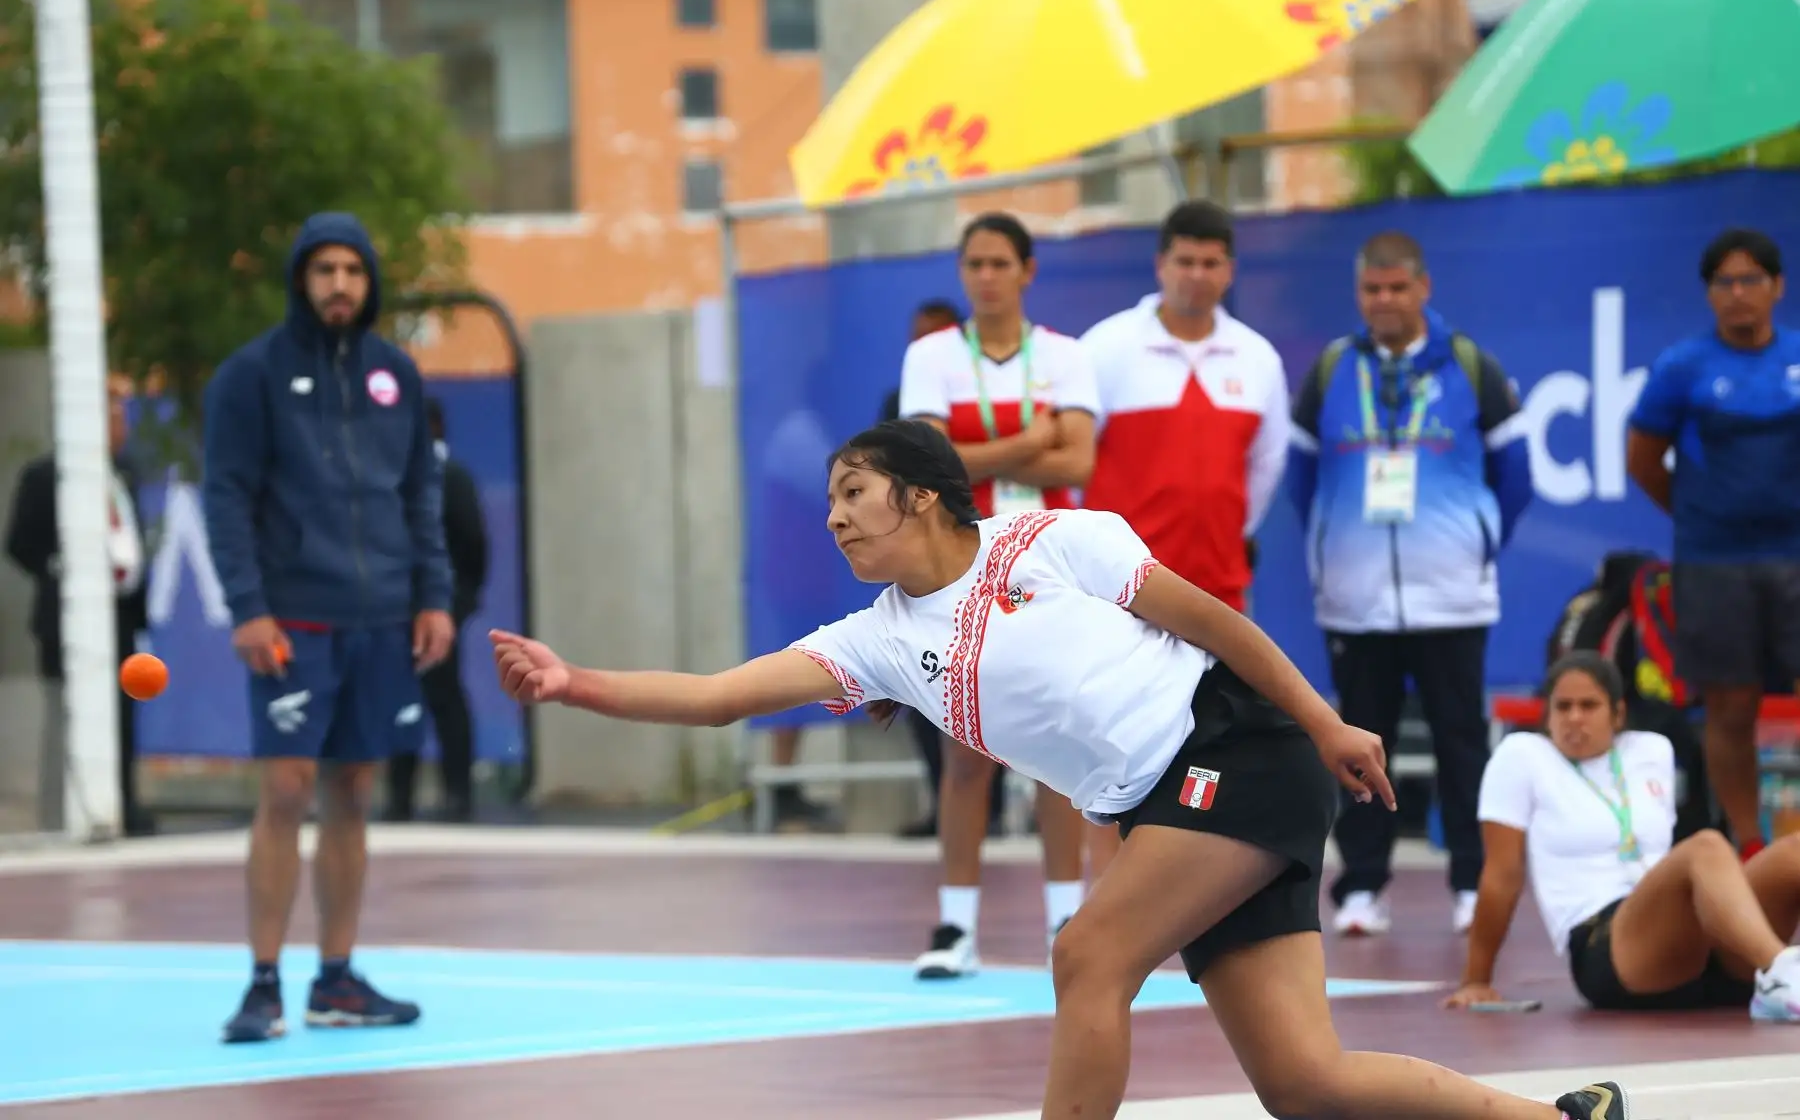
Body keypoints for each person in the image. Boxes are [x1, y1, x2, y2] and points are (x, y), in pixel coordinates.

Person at [490, 419, 1628, 1120]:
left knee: (1087, 953)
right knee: (1303, 1086)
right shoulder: (877, 639)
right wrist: (572, 680)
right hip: (1170, 811)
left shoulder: (1052, 541)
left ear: (921, 495)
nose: (834, 516)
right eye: (832, 499)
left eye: (854, 492)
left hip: (1240, 753)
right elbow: (716, 698)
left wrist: (1328, 721)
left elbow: (1220, 625)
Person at [203, 211, 455, 1043]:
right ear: (301, 281)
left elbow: (420, 493)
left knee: (352, 792)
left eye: (352, 269)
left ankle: (336, 980)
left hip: (382, 617)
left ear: (369, 280)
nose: (339, 284)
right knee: (285, 792)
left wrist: (433, 597)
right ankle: (263, 984)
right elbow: (227, 499)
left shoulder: (396, 376)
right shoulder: (251, 378)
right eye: (324, 270)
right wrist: (249, 608)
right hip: (292, 622)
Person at [1289, 230, 1533, 938]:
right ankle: (1362, 886)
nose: (1386, 301)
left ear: (1424, 289)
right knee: (1359, 744)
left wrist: (1474, 542)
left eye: (1398, 288)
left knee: (1462, 742)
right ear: (1359, 294)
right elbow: (1303, 479)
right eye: (1373, 289)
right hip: (1356, 597)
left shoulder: (1469, 366)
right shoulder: (1333, 369)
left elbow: (1514, 479)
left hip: (1451, 592)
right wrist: (1338, 546)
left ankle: (1468, 879)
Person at [896, 211, 1100, 977]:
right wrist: (1025, 445)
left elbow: (1077, 459)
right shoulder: (932, 356)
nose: (985, 276)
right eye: (973, 264)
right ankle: (955, 928)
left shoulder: (1066, 358)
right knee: (966, 751)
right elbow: (932, 465)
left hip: (1047, 570)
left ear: (1027, 272)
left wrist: (1003, 454)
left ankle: (1064, 922)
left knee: (1054, 753)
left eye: (999, 263)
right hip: (963, 568)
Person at [1082, 200, 1289, 878]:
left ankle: (1191, 888)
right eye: (1184, 261)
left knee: (1216, 744)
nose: (1197, 275)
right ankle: (1104, 899)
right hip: (1122, 600)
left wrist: (1227, 535)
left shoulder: (1256, 359)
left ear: (1228, 270)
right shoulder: (1107, 349)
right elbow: (1078, 466)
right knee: (1112, 749)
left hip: (1220, 590)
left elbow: (1264, 468)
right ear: (1161, 265)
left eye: (1211, 262)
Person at [1449, 651, 1800, 1020]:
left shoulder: (1650, 750)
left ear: (1617, 714)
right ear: (1546, 715)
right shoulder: (1522, 756)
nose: (1574, 718)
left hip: (1692, 941)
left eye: (1589, 706)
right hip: (1609, 947)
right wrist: (1476, 979)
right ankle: (1780, 971)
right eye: (1563, 707)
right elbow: (1502, 875)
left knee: (1792, 851)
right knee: (1706, 846)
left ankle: (1772, 974)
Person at [1626, 228, 1792, 862]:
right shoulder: (1682, 367)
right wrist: (1699, 515)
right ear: (1709, 293)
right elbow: (1643, 460)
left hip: (1795, 560)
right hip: (1714, 563)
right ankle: (1750, 844)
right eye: (1725, 282)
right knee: (1729, 706)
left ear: (1776, 288)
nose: (1738, 293)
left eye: (1751, 280)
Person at [4, 379, 154, 837]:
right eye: (112, 413)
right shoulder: (46, 474)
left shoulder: (123, 471)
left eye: (122, 414)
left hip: (121, 616)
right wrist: (59, 567)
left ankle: (122, 804)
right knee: (66, 716)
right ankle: (60, 811)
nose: (120, 424)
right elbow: (18, 542)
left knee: (123, 712)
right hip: (65, 616)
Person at [881, 298, 1002, 840]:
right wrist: (1028, 448)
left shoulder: (994, 391)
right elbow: (919, 469)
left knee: (1007, 689)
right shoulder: (896, 406)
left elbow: (1072, 462)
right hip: (934, 568)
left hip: (998, 555)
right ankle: (947, 811)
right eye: (915, 336)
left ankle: (1001, 813)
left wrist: (977, 454)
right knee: (932, 690)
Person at [385, 396, 489, 823]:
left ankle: (457, 795)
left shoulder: (452, 480)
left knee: (445, 700)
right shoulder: (391, 481)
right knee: (397, 701)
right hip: (393, 614)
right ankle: (399, 798)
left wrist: (455, 608)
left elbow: (473, 550)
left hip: (439, 613)